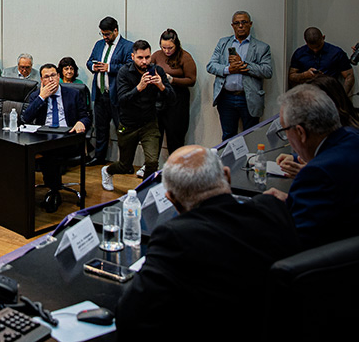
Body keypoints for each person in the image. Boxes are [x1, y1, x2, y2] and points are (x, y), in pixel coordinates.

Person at [115, 146, 300, 340]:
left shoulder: (176, 237)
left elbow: (131, 317)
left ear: (171, 199)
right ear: (227, 176)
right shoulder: (273, 209)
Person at [264, 84, 359, 248]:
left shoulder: (317, 173)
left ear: (300, 132)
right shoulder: (357, 138)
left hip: (345, 260)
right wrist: (292, 201)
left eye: (285, 131)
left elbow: (297, 241)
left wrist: (272, 213)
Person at [102, 40, 175, 190]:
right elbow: (121, 100)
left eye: (147, 57)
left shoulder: (157, 71)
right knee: (125, 165)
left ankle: (144, 191)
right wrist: (139, 88)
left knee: (152, 162)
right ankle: (107, 171)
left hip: (149, 122)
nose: (144, 61)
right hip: (128, 124)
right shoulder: (124, 72)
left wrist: (161, 86)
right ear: (133, 56)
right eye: (140, 58)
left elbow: (173, 98)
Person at [21, 64, 91, 211]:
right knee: (43, 151)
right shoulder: (36, 96)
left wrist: (80, 122)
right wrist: (42, 97)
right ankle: (52, 189)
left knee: (50, 155)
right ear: (41, 80)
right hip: (44, 138)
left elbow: (86, 116)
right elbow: (26, 118)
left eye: (53, 75)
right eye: (46, 77)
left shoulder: (73, 94)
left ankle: (53, 192)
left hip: (68, 138)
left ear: (59, 76)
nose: (51, 79)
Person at [206, 11, 274, 140]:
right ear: (233, 26)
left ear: (250, 24)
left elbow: (267, 71)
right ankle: (228, 161)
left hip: (249, 98)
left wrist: (244, 65)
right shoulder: (223, 43)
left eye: (244, 22)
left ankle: (250, 161)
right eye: (237, 23)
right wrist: (229, 69)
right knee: (228, 137)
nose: (241, 26)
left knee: (250, 137)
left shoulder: (262, 47)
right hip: (226, 98)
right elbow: (211, 66)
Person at [87, 16, 133, 165]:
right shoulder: (99, 44)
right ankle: (99, 157)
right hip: (100, 94)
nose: (105, 37)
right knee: (100, 129)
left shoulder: (127, 46)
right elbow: (89, 61)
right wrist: (94, 67)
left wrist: (110, 68)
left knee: (122, 130)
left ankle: (125, 161)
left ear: (115, 30)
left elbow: (130, 68)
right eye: (102, 34)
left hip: (117, 96)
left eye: (107, 34)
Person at [151, 29, 197, 153]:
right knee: (155, 134)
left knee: (175, 135)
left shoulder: (185, 57)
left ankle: (176, 168)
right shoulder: (156, 55)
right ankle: (152, 167)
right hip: (159, 99)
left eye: (170, 48)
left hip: (177, 100)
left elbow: (192, 80)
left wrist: (172, 80)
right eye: (163, 47)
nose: (166, 51)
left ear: (176, 45)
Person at [288, 27, 354, 94]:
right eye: (312, 47)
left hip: (329, 92)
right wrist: (305, 75)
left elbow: (349, 76)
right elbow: (291, 76)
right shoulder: (299, 53)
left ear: (323, 37)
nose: (315, 50)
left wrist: (342, 97)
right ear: (306, 41)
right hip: (307, 94)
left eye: (318, 46)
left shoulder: (336, 53)